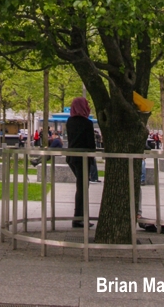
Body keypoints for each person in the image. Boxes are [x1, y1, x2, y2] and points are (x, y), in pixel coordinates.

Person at [66, 97, 96, 229]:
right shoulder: (87, 123)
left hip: (72, 158)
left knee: (81, 187)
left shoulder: (69, 121)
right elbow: (91, 144)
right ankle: (78, 218)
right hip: (83, 158)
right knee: (83, 188)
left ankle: (79, 217)